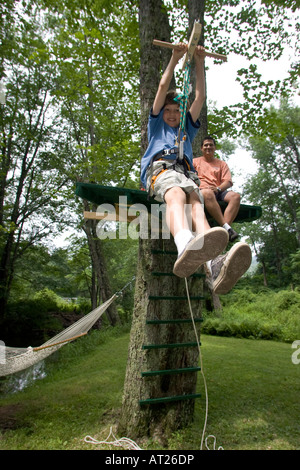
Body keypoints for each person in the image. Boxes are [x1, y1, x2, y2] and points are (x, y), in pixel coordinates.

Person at [140, 43, 232, 281]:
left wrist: (200, 62)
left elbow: (200, 96)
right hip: (162, 169)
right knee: (176, 195)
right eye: (167, 110)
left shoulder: (186, 130)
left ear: (182, 113)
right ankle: (184, 243)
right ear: (161, 113)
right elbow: (162, 86)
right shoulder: (157, 125)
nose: (171, 114)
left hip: (186, 174)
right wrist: (174, 58)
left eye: (176, 110)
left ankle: (213, 264)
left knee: (195, 205)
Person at [193, 136, 241, 242]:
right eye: (206, 145)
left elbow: (228, 181)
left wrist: (218, 188)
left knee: (235, 197)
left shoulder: (221, 164)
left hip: (218, 191)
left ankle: (224, 231)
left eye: (211, 145)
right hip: (203, 190)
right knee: (207, 193)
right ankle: (227, 228)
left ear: (215, 148)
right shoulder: (195, 162)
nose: (208, 147)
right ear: (201, 148)